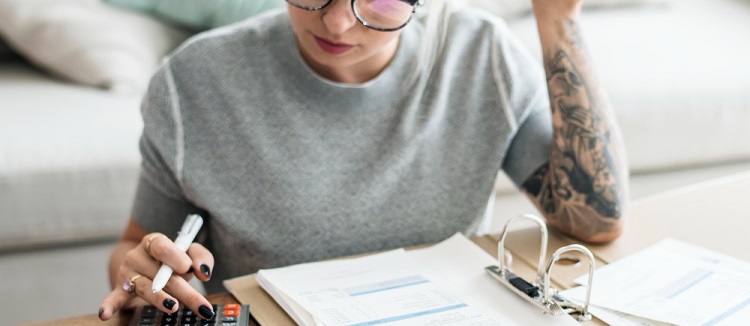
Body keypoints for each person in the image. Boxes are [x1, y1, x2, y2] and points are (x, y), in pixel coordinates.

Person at [98, 0, 628, 321]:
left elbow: (594, 219)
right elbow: (138, 246)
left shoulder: (481, 57)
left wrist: (561, 19)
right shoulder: (192, 84)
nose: (335, 22)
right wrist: (138, 274)